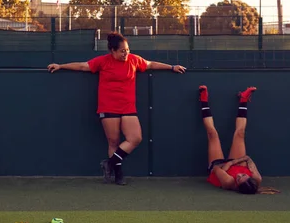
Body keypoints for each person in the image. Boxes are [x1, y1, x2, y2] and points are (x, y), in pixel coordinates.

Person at [47, 31, 186, 185]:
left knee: (135, 138)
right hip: (108, 106)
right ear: (112, 51)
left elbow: (151, 64)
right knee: (113, 142)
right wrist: (60, 66)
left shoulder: (134, 60)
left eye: (127, 50)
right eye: (122, 51)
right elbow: (82, 66)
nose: (125, 53)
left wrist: (172, 67)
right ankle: (118, 174)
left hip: (127, 106)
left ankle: (109, 163)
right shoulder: (103, 61)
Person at [199, 85, 263, 194]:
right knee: (240, 133)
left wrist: (231, 164)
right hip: (234, 164)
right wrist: (235, 163)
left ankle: (203, 101)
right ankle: (243, 100)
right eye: (243, 175)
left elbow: (216, 169)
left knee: (212, 134)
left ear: (236, 186)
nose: (239, 175)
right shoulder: (257, 178)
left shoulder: (228, 182)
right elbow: (248, 159)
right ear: (251, 178)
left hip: (219, 166)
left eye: (238, 179)